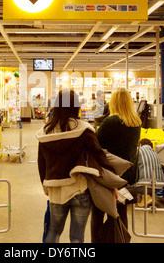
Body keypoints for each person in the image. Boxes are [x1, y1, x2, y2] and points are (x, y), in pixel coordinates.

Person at [36, 89, 115, 243]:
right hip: (80, 189)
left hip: (55, 190)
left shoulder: (45, 132)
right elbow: (100, 156)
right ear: (76, 107)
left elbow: (41, 163)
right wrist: (113, 181)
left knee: (53, 232)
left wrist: (45, 185)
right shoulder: (84, 130)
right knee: (77, 237)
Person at [95, 88, 142, 230]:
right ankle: (121, 239)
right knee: (121, 212)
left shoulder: (110, 122)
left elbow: (96, 145)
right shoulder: (136, 122)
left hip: (109, 174)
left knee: (98, 212)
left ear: (113, 102)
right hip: (128, 174)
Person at [136, 139, 164, 207]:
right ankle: (148, 197)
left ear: (140, 145)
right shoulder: (156, 153)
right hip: (160, 186)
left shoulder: (139, 151)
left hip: (146, 185)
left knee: (129, 188)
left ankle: (146, 197)